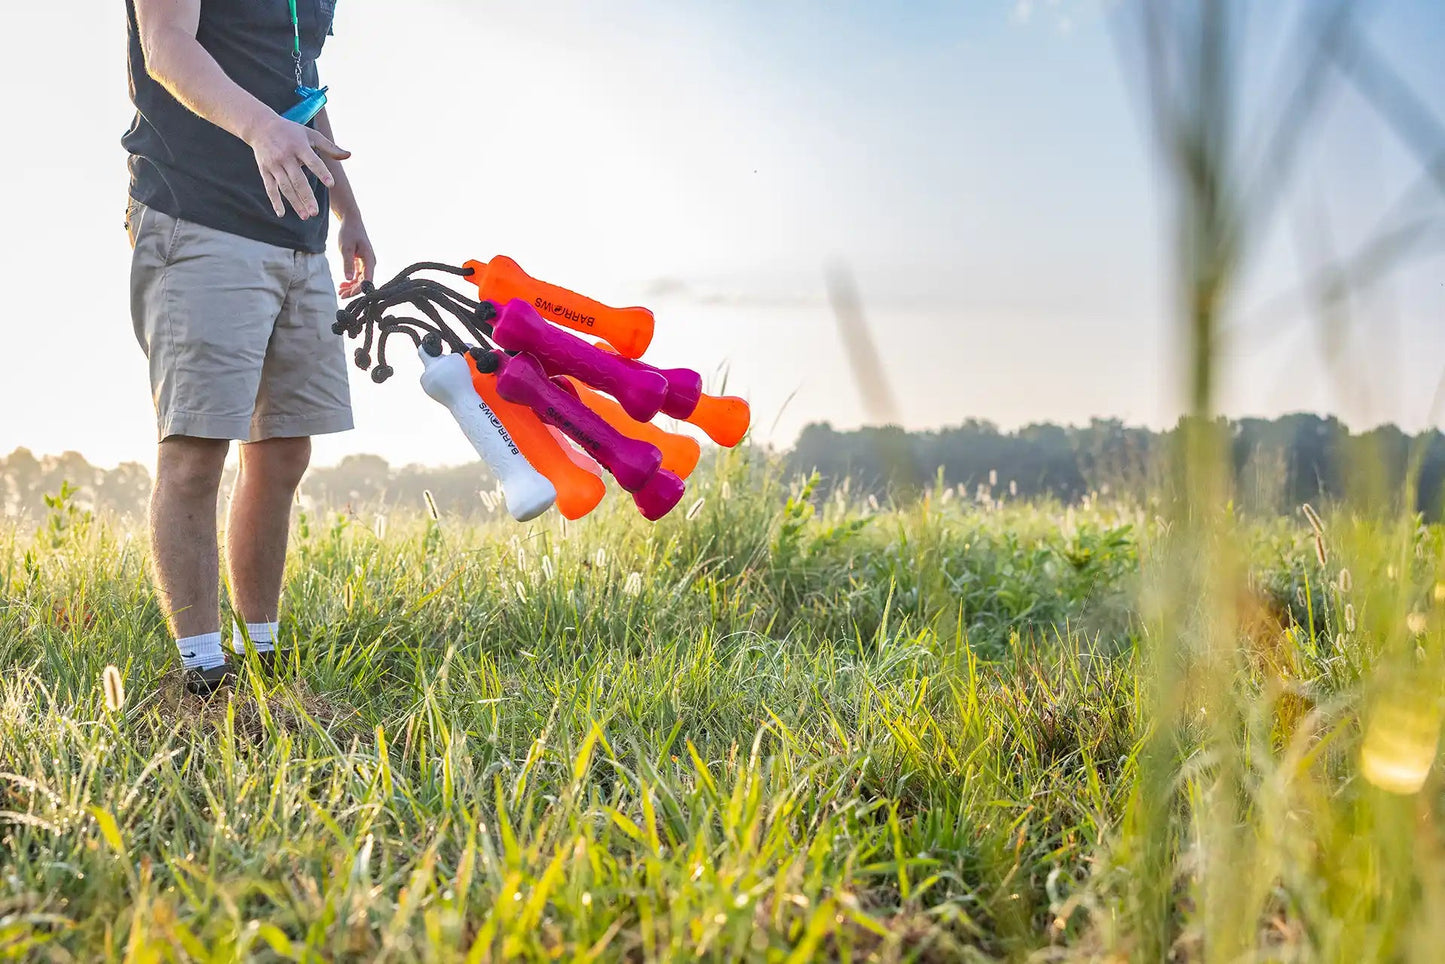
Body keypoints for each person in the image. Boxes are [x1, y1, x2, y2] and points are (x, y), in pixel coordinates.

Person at [124, 0, 374, 694]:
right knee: (196, 448)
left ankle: (260, 649)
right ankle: (202, 672)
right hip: (196, 213)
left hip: (297, 232)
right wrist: (262, 128)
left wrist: (347, 209)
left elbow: (302, 82)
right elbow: (165, 44)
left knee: (285, 446)